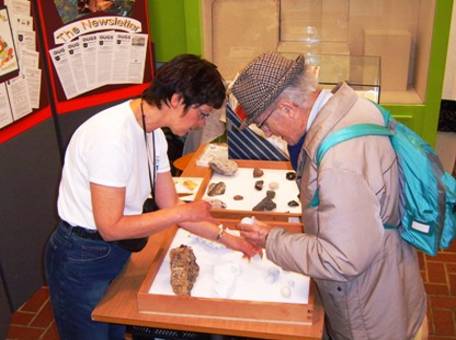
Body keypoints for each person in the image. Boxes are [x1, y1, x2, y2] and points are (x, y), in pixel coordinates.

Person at [45, 54, 259, 339]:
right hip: (83, 254)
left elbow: (170, 203)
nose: (201, 123)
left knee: (113, 330)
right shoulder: (111, 138)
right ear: (176, 99)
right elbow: (111, 226)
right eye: (203, 113)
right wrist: (184, 213)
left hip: (117, 249)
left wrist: (231, 239)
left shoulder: (153, 132)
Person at [232, 52, 428, 339]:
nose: (268, 133)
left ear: (287, 108)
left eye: (262, 123)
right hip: (390, 277)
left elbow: (342, 259)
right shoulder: (353, 107)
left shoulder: (338, 161)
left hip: (370, 314)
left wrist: (271, 240)